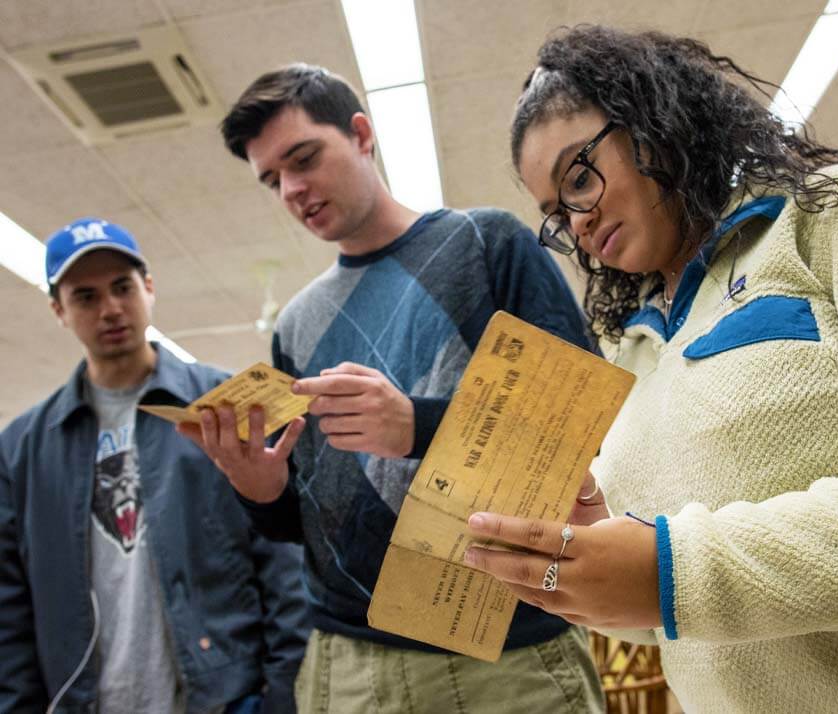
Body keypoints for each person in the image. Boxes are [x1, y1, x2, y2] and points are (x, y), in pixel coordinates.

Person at [462, 25, 838, 713]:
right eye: (558, 215)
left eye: (579, 179)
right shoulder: (632, 349)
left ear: (655, 120)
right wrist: (603, 551)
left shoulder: (835, 216)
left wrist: (675, 570)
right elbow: (689, 624)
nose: (578, 225)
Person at [177, 64, 605, 712]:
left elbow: (579, 423)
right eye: (273, 179)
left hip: (502, 653)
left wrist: (416, 426)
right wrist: (260, 489)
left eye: (303, 158)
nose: (292, 189)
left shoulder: (486, 245)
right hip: (345, 663)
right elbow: (305, 521)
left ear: (360, 134)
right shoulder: (295, 326)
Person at [0, 218, 309, 713]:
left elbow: (284, 562)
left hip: (223, 698)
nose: (110, 309)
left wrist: (281, 698)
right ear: (59, 311)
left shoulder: (226, 410)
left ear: (149, 287)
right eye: (86, 296)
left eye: (122, 287)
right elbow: (9, 608)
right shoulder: (22, 450)